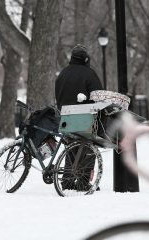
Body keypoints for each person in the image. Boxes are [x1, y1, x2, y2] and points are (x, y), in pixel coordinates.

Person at [55, 44, 103, 191]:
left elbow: (58, 95)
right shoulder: (89, 74)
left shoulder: (62, 73)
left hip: (65, 117)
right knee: (89, 149)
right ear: (85, 59)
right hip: (84, 117)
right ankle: (83, 182)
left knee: (70, 149)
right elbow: (98, 96)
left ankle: (68, 181)